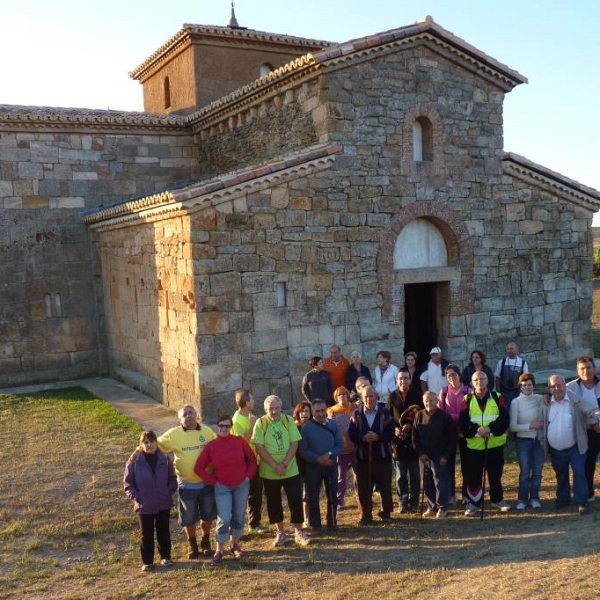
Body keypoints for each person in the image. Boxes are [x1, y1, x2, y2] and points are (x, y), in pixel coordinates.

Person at [194, 414, 257, 566]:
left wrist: (248, 476)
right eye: (221, 426)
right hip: (222, 487)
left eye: (227, 426)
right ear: (217, 427)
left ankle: (235, 544)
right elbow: (198, 468)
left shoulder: (239, 441)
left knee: (239, 515)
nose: (224, 429)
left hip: (241, 485)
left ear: (231, 427)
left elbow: (252, 459)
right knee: (224, 518)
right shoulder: (211, 446)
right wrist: (213, 482)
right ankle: (219, 549)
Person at [157, 404, 216, 559]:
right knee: (189, 517)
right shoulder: (173, 434)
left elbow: (218, 448)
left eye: (191, 413)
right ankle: (192, 544)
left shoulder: (207, 431)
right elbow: (153, 444)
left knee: (208, 515)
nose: (188, 416)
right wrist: (139, 450)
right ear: (180, 419)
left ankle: (205, 541)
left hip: (206, 482)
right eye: (185, 414)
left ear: (197, 414)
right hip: (187, 484)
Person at [251, 395, 310, 546]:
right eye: (271, 409)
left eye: (277, 408)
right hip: (269, 472)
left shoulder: (288, 420)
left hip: (290, 470)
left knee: (295, 501)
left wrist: (283, 464)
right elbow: (259, 447)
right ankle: (281, 533)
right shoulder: (261, 423)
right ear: (265, 410)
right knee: (273, 503)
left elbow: (294, 443)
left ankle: (298, 532)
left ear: (281, 408)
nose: (274, 411)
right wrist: (274, 466)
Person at [544, 374, 600, 515]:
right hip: (555, 449)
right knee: (561, 475)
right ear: (549, 388)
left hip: (575, 447)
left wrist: (598, 417)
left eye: (559, 385)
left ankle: (581, 501)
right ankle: (563, 499)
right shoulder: (545, 403)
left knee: (579, 471)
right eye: (553, 386)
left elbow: (590, 410)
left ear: (565, 385)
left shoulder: (574, 400)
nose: (557, 388)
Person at [123, 430, 177, 572]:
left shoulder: (165, 459)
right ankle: (147, 561)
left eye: (152, 441)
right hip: (144, 505)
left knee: (163, 530)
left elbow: (173, 479)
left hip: (163, 503)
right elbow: (128, 484)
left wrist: (167, 491)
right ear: (141, 445)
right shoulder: (134, 461)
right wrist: (138, 497)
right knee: (146, 533)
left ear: (156, 443)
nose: (149, 444)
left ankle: (166, 557)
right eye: (146, 442)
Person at [459, 372, 512, 517]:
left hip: (494, 444)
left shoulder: (497, 397)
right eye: (476, 379)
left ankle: (497, 499)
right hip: (474, 446)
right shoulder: (466, 399)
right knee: (473, 476)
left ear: (487, 380)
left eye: (482, 379)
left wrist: (490, 429)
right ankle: (474, 504)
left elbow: (504, 419)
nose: (479, 382)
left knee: (495, 474)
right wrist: (477, 430)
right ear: (471, 382)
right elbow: (463, 422)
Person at [348, 385, 395, 525]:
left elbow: (391, 432)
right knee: (364, 488)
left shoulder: (384, 413)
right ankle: (365, 515)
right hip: (363, 458)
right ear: (362, 398)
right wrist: (363, 438)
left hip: (382, 457)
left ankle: (386, 513)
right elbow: (352, 433)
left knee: (385, 486)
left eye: (372, 396)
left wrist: (378, 436)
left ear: (377, 397)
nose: (369, 399)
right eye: (366, 396)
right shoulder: (356, 414)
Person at [299, 399, 344, 532]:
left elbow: (339, 445)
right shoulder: (306, 428)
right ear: (312, 412)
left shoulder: (333, 425)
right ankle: (315, 525)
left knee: (332, 495)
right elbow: (303, 450)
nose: (321, 414)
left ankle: (332, 522)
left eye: (323, 410)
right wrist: (317, 459)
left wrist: (329, 455)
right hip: (313, 468)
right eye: (317, 411)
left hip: (331, 465)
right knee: (313, 497)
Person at [413, 392, 457, 518]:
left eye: (431, 400)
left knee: (441, 482)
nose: (429, 403)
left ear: (437, 401)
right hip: (424, 457)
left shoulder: (444, 417)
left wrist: (446, 456)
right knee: (427, 482)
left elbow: (452, 438)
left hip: (440, 456)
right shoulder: (419, 416)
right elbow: (414, 437)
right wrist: (420, 453)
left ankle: (442, 507)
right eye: (426, 401)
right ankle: (432, 507)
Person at [231, 388, 268, 534]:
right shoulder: (237, 420)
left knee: (257, 491)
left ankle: (254, 522)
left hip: (255, 459)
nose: (254, 401)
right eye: (252, 399)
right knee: (251, 492)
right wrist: (253, 426)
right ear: (247, 403)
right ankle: (252, 524)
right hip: (246, 461)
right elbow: (242, 443)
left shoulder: (249, 415)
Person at [386, 369, 423, 512]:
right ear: (397, 380)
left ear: (410, 379)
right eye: (401, 378)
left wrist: (411, 425)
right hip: (398, 440)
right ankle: (402, 502)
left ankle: (414, 502)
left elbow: (422, 415)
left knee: (414, 473)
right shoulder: (392, 397)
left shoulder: (417, 395)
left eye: (406, 378)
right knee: (401, 474)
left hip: (414, 439)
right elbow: (388, 417)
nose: (403, 381)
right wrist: (395, 428)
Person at [566, 355, 600, 502]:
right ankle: (589, 492)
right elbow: (555, 395)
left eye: (589, 367)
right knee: (588, 463)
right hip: (586, 431)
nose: (586, 371)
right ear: (577, 371)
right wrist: (545, 397)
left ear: (595, 368)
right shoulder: (570, 388)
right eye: (582, 368)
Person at [510, 373, 545, 510]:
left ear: (534, 386)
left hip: (538, 440)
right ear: (520, 387)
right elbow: (513, 426)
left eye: (530, 384)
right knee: (525, 472)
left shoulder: (539, 399)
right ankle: (522, 499)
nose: (527, 387)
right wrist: (530, 426)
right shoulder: (516, 402)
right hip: (523, 441)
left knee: (537, 471)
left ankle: (535, 497)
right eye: (524, 385)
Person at [438, 364, 471, 504]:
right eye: (449, 375)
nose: (452, 377)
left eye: (454, 374)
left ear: (459, 375)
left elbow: (471, 411)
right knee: (449, 465)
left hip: (465, 432)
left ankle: (466, 495)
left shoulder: (468, 391)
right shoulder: (444, 391)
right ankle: (451, 494)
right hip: (449, 433)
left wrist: (454, 417)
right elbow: (440, 411)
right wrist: (454, 417)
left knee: (467, 465)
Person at [327, 386, 357, 510]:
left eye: (344, 394)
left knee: (358, 474)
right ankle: (339, 500)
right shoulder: (331, 410)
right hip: (341, 448)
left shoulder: (354, 407)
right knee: (341, 475)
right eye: (339, 395)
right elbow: (330, 427)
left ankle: (359, 496)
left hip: (354, 446)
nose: (342, 396)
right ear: (336, 397)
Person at [293, 400, 313, 527]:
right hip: (297, 466)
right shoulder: (294, 428)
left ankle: (308, 519)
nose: (304, 414)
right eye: (301, 411)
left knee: (308, 495)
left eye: (306, 411)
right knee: (297, 495)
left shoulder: (314, 426)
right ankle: (298, 521)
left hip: (310, 466)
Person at [494, 341, 529, 409]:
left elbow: (526, 379)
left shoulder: (522, 363)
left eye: (511, 349)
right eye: (508, 349)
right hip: (504, 392)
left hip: (518, 392)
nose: (509, 351)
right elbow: (497, 378)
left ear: (516, 350)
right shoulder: (501, 362)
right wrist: (498, 393)